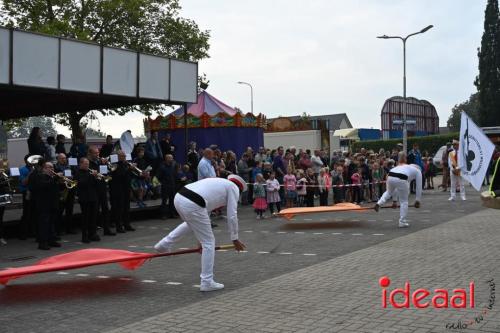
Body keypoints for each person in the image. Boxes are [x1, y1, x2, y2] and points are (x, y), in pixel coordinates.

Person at [154, 175, 247, 292]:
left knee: (190, 223)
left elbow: (204, 215)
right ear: (240, 188)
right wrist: (235, 238)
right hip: (193, 203)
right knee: (209, 243)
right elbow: (232, 215)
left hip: (179, 197)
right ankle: (207, 282)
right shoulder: (233, 188)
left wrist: (200, 241)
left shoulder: (219, 183)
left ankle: (163, 245)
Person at [374, 152, 422, 228]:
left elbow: (396, 188)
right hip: (401, 177)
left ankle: (379, 203)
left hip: (390, 174)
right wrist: (418, 200)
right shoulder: (418, 171)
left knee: (389, 192)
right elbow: (419, 186)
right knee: (404, 201)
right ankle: (402, 222)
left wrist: (395, 201)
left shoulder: (404, 167)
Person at [31, 161, 61, 250]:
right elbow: (43, 186)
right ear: (44, 169)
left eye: (52, 167)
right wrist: (54, 178)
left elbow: (55, 189)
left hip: (53, 203)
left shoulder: (51, 178)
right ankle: (42, 243)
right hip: (44, 204)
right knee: (44, 224)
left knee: (51, 223)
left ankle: (51, 240)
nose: (52, 169)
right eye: (50, 167)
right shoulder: (40, 176)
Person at [88, 146, 115, 235]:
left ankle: (106, 229)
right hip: (94, 189)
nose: (97, 154)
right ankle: (93, 232)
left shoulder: (100, 162)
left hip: (102, 188)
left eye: (98, 153)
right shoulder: (88, 163)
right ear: (90, 154)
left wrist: (104, 164)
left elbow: (105, 174)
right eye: (95, 153)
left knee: (105, 209)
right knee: (95, 211)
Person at [74, 158, 100, 243]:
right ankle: (84, 236)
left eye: (88, 164)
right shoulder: (78, 172)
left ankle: (92, 234)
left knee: (93, 217)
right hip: (84, 198)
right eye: (85, 164)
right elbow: (82, 183)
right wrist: (91, 176)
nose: (87, 166)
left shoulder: (90, 173)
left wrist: (96, 177)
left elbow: (96, 185)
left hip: (93, 197)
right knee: (86, 218)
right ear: (80, 164)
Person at [110, 151, 135, 233]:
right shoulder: (115, 164)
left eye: (125, 156)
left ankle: (127, 224)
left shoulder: (126, 164)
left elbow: (129, 175)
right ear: (118, 156)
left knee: (127, 208)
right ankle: (119, 226)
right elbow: (119, 175)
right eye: (123, 156)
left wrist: (141, 174)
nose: (124, 157)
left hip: (126, 188)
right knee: (119, 209)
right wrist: (129, 169)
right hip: (118, 189)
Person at [54, 153, 76, 235]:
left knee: (69, 210)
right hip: (61, 190)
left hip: (69, 190)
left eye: (65, 158)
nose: (64, 160)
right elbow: (55, 179)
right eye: (62, 158)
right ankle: (58, 230)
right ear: (58, 159)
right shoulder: (55, 168)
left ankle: (69, 228)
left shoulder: (70, 167)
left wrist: (72, 177)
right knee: (59, 211)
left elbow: (74, 175)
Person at [18, 155, 34, 239]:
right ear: (26, 161)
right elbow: (24, 183)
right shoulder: (22, 170)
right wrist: (31, 173)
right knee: (26, 213)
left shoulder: (35, 169)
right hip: (26, 192)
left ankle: (32, 232)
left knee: (33, 213)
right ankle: (23, 233)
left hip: (34, 192)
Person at [158, 154, 177, 219]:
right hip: (165, 186)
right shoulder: (162, 167)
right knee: (164, 201)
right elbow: (159, 177)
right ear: (166, 159)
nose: (172, 159)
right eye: (170, 158)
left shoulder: (173, 166)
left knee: (172, 200)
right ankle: (163, 215)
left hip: (172, 185)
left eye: (172, 158)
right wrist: (163, 182)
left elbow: (174, 175)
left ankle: (172, 214)